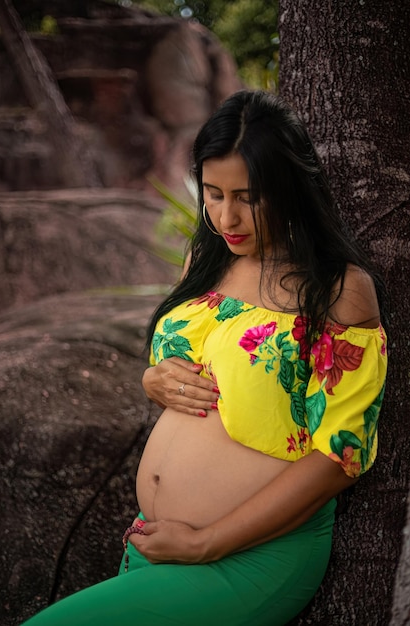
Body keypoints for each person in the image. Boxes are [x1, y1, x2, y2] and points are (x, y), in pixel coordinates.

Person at [22, 90, 388, 626]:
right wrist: (153, 381)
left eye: (248, 196)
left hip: (250, 556)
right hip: (157, 542)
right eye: (212, 194)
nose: (227, 216)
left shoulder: (337, 290)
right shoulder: (205, 260)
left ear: (291, 187)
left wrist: (208, 542)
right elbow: (187, 369)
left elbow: (340, 457)